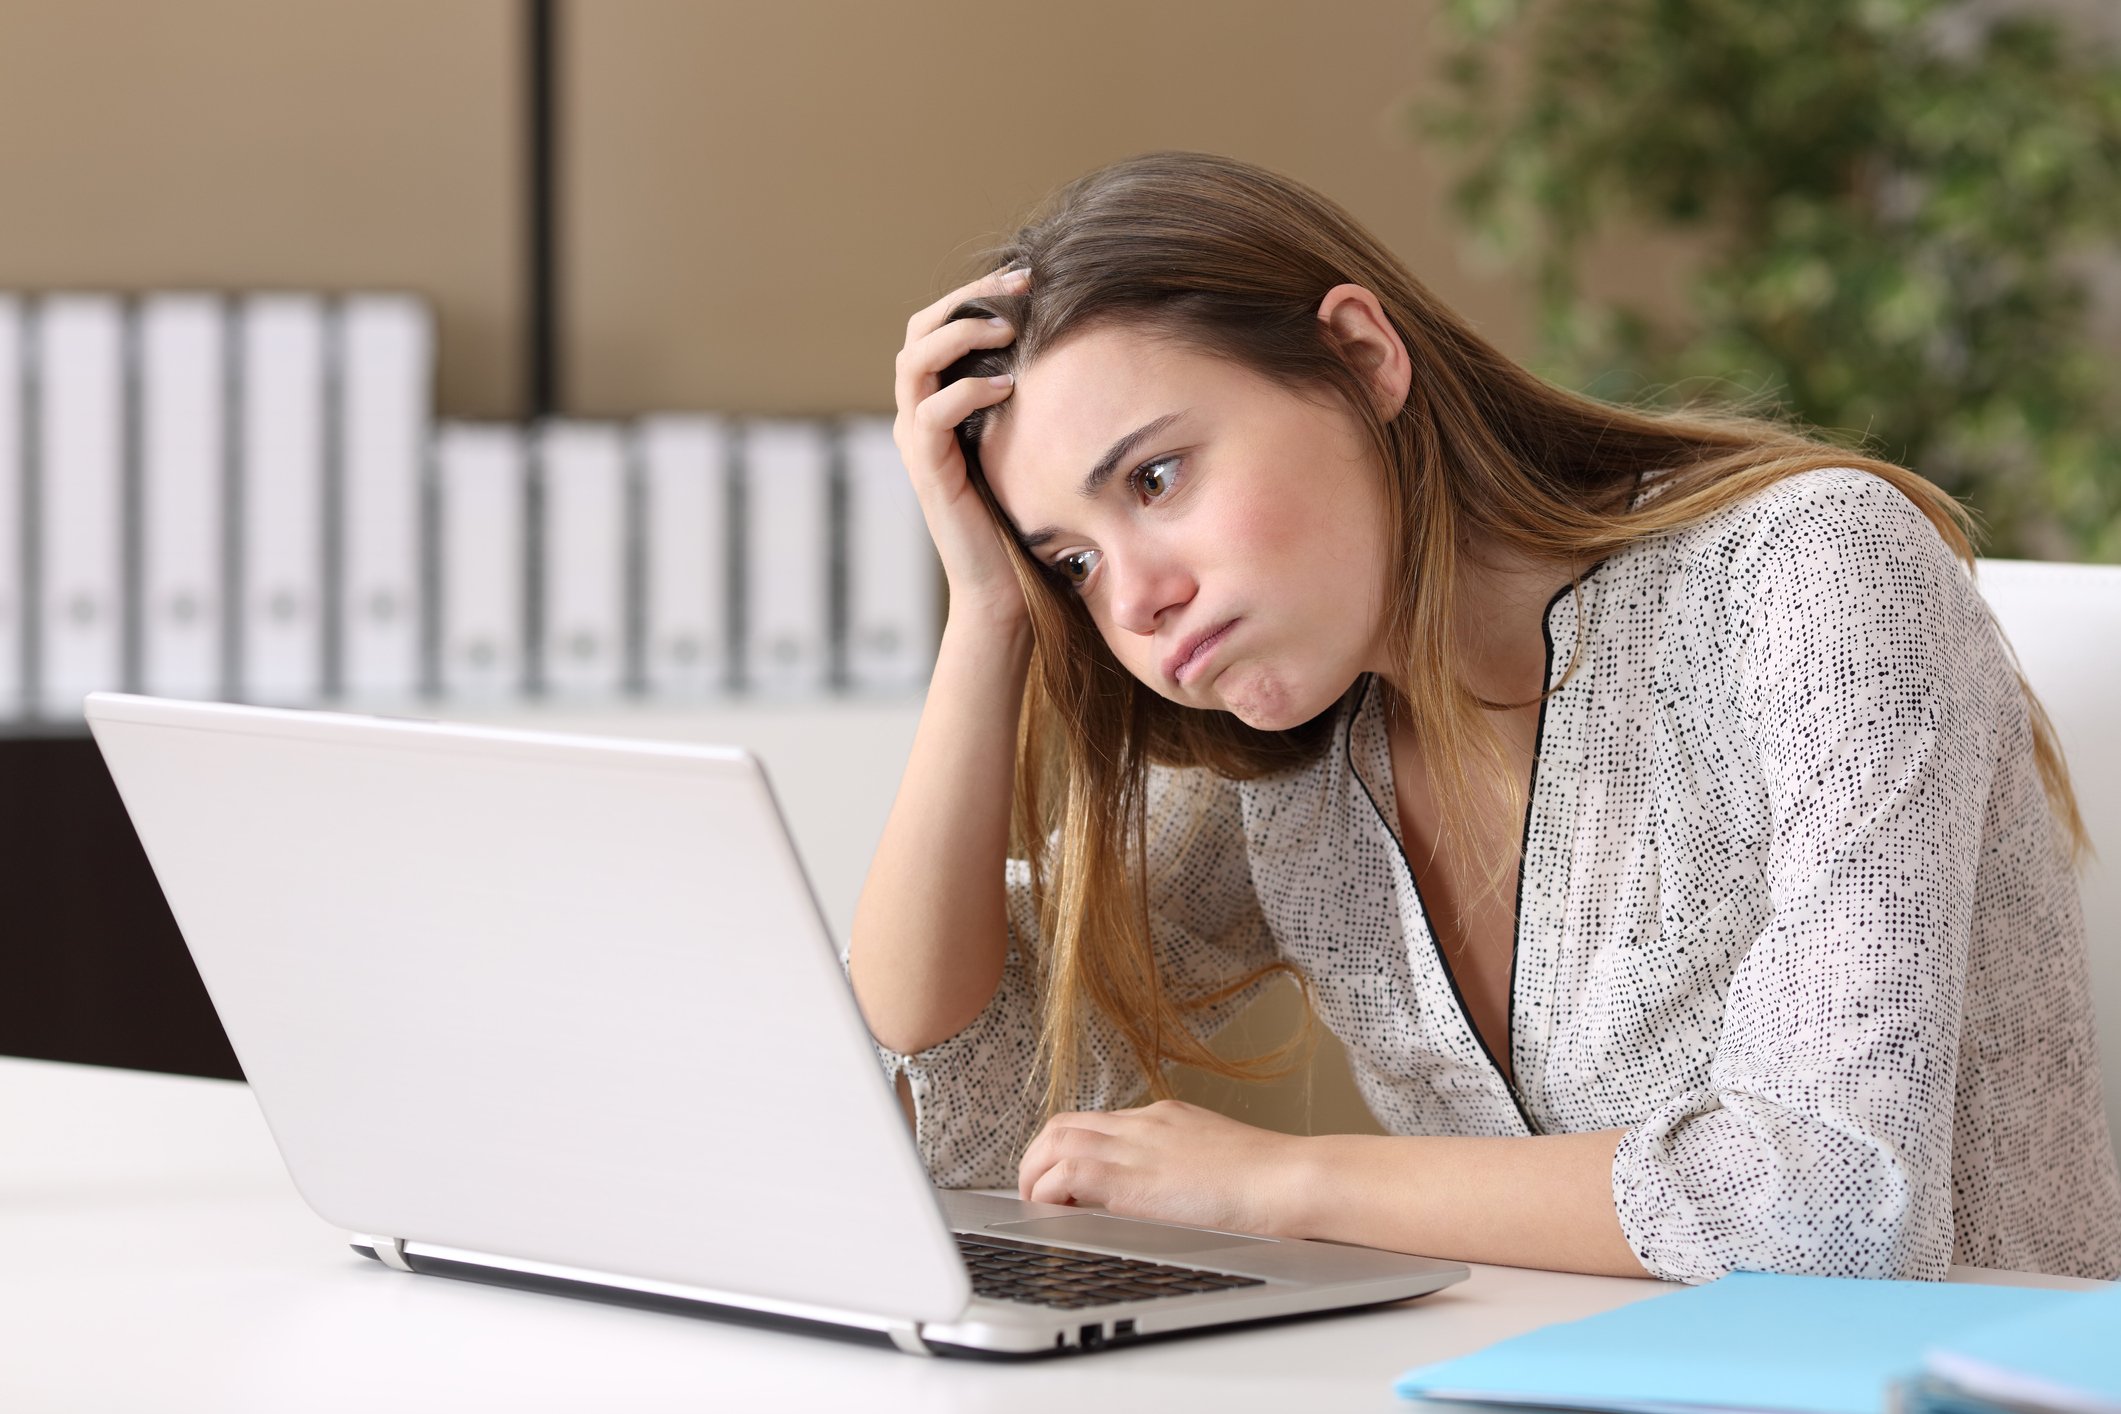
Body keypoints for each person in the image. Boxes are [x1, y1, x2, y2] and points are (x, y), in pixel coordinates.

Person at [843, 150, 2121, 1283]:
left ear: (1362, 355)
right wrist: (988, 611)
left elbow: (1842, 1201)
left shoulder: (1802, 574)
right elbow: (977, 1085)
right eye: (1070, 559)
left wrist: (1286, 1183)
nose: (1138, 598)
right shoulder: (1302, 753)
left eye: (1158, 477)